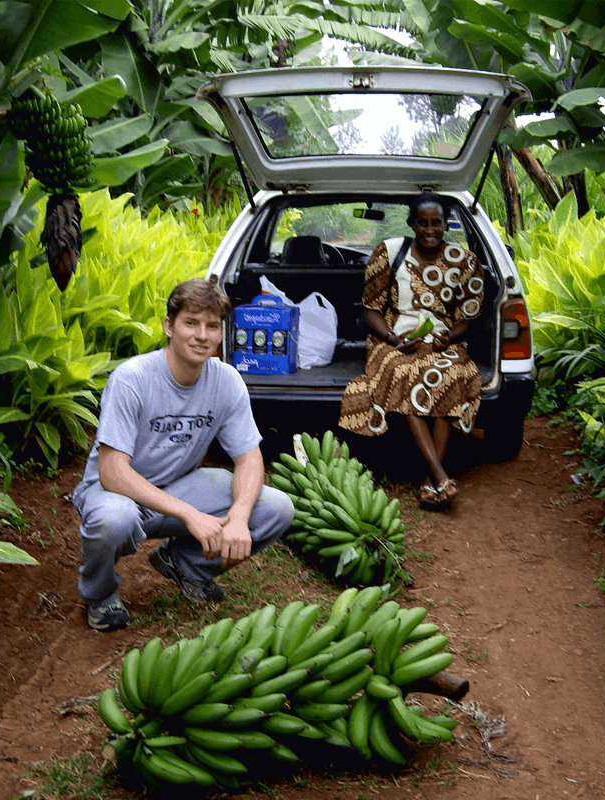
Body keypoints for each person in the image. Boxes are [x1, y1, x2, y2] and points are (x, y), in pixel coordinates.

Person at [72, 277, 295, 631]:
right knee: (113, 521)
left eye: (211, 326)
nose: (201, 335)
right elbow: (112, 471)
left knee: (276, 508)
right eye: (190, 323)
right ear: (169, 327)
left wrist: (237, 517)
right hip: (117, 492)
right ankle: (100, 595)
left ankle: (186, 566)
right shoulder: (132, 378)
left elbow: (249, 459)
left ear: (222, 333)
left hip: (181, 485)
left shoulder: (227, 381)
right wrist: (190, 515)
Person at [338, 193, 485, 508]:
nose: (429, 230)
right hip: (395, 338)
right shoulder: (390, 253)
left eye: (436, 223)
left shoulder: (463, 260)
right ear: (411, 224)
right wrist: (393, 339)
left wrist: (449, 337)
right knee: (404, 372)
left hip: (441, 339)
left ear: (446, 224)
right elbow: (371, 310)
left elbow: (466, 317)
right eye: (422, 223)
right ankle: (439, 476)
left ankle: (433, 482)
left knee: (449, 375)